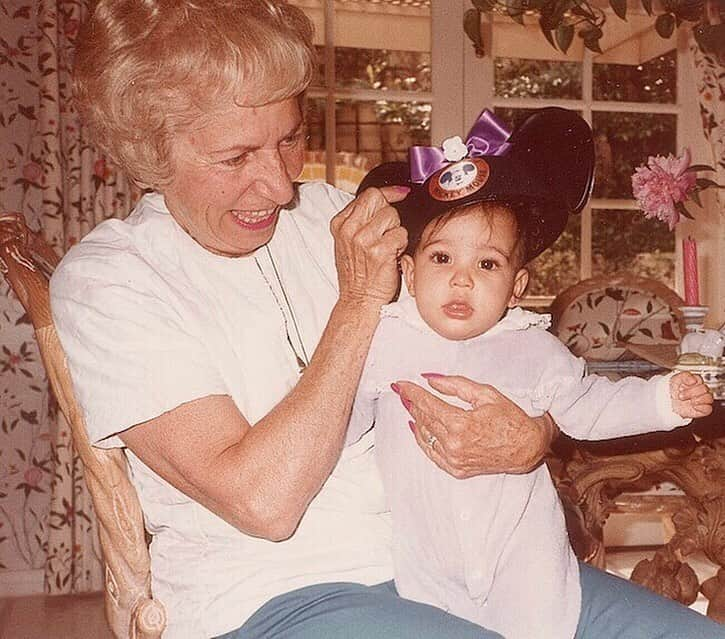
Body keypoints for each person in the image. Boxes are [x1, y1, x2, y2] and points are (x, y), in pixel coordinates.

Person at [51, 2, 558, 638]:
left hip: (455, 567)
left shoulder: (335, 212)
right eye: (235, 158)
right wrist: (356, 303)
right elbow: (263, 503)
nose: (281, 187)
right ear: (152, 151)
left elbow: (478, 349)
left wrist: (534, 434)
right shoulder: (111, 278)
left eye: (289, 139)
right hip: (272, 595)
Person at [350, 106, 720, 639]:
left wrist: (664, 399)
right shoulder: (384, 343)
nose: (461, 281)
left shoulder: (532, 350)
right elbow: (342, 424)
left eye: (487, 265)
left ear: (516, 287)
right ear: (407, 272)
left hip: (526, 565)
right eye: (441, 259)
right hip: (424, 570)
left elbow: (591, 405)